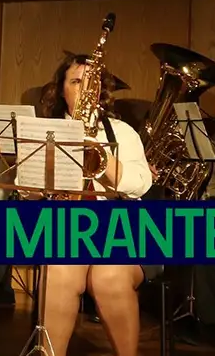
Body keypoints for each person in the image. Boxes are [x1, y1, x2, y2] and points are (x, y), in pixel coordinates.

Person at [36, 52, 154, 356]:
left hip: (121, 226)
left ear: (101, 92)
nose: (85, 89)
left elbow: (141, 184)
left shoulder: (122, 132)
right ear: (61, 89)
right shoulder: (45, 132)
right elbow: (26, 193)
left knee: (109, 275)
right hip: (66, 228)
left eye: (92, 83)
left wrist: (100, 156)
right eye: (76, 81)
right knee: (59, 271)